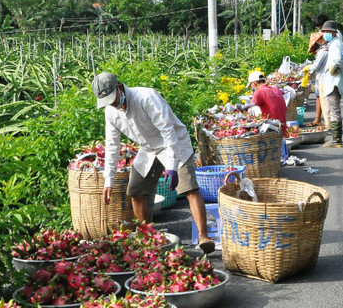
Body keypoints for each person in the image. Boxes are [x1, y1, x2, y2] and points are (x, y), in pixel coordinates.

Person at [91, 72, 215, 254]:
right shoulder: (111, 112)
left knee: (189, 188)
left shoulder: (146, 97)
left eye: (113, 98)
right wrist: (108, 180)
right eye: (107, 102)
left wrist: (172, 166)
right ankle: (148, 237)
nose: (113, 103)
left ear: (120, 87)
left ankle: (203, 237)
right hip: (148, 148)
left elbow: (168, 132)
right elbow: (112, 145)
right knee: (136, 191)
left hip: (174, 143)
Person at [310, 20, 343, 147]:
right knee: (331, 109)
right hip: (333, 80)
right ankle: (336, 138)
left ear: (332, 33)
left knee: (333, 109)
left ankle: (337, 140)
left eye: (326, 32)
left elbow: (337, 58)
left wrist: (334, 66)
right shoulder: (334, 43)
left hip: (334, 81)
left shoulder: (335, 44)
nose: (324, 34)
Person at [237, 71, 287, 135]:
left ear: (254, 84)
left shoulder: (259, 91)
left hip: (272, 131)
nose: (252, 88)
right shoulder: (276, 89)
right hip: (283, 128)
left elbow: (249, 108)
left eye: (251, 86)